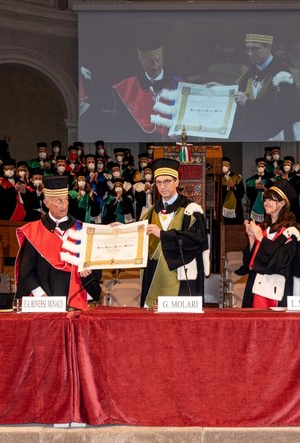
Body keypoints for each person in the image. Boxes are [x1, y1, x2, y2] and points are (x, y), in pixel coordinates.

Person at [15, 176, 100, 309]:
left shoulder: (82, 230)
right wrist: (41, 297)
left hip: (77, 302)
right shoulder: (33, 231)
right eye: (59, 201)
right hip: (44, 303)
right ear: (46, 202)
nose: (64, 205)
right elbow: (26, 270)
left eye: (66, 200)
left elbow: (95, 269)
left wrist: (88, 272)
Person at [140, 158, 208, 308]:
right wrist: (121, 230)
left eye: (167, 181)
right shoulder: (150, 213)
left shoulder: (191, 211)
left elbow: (197, 239)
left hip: (182, 278)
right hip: (154, 277)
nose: (162, 186)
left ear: (176, 182)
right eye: (158, 182)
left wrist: (163, 235)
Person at [236, 180, 300, 308]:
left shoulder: (290, 230)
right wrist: (251, 238)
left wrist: (261, 238)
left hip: (279, 286)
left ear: (282, 203)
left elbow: (282, 259)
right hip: (257, 284)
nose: (266, 203)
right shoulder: (263, 227)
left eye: (271, 200)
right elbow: (251, 262)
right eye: (265, 199)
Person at [231, 31, 300, 141]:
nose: (250, 53)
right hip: (251, 130)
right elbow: (239, 90)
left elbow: (287, 110)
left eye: (255, 49)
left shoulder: (282, 73)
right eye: (247, 49)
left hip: (274, 134)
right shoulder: (254, 69)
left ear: (268, 48)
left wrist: (248, 103)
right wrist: (221, 89)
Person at [111, 37, 179, 140]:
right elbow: (121, 128)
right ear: (141, 61)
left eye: (158, 60)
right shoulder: (125, 88)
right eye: (149, 61)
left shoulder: (179, 85)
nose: (155, 66)